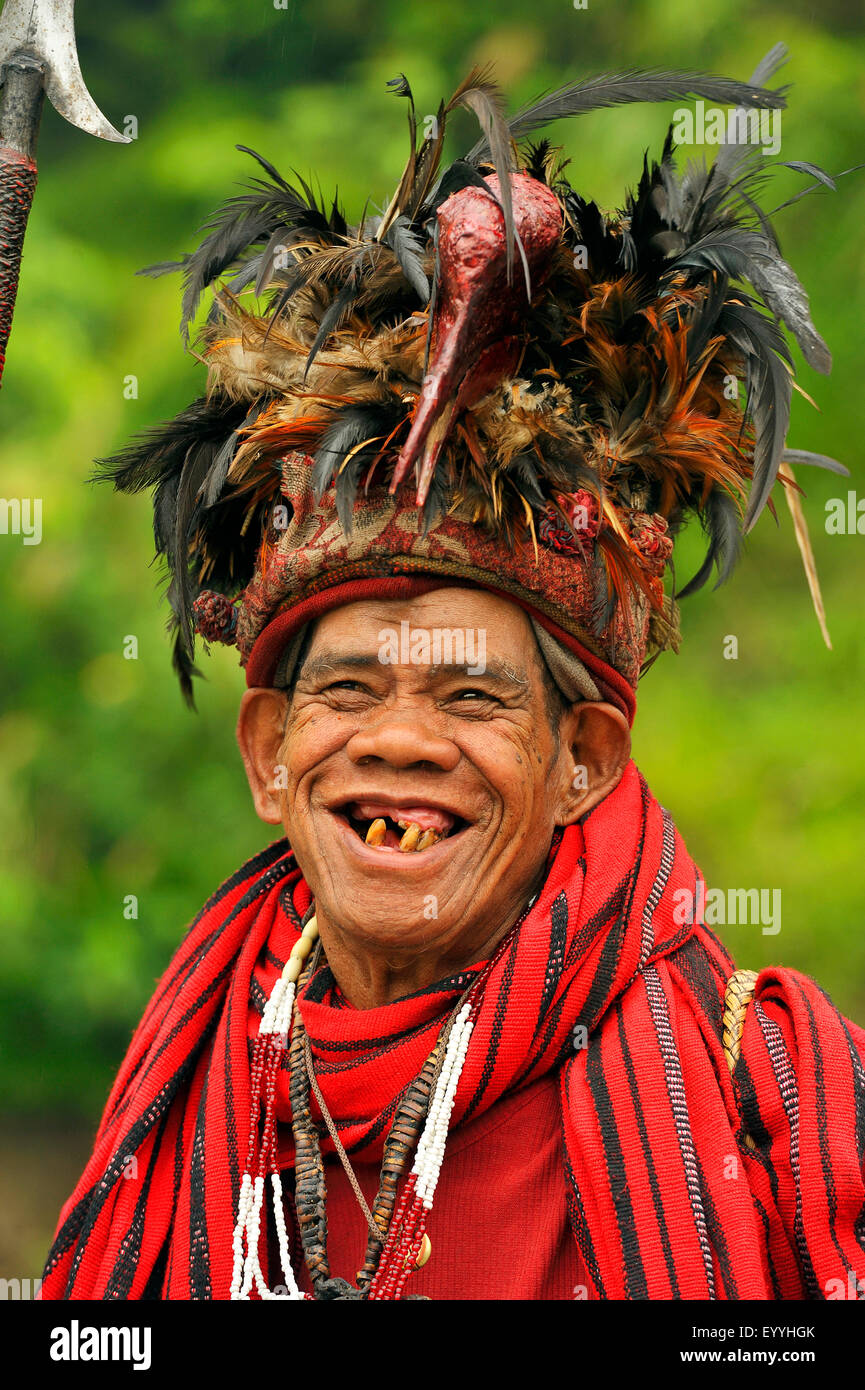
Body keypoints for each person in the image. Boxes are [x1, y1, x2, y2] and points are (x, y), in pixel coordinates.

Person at [42, 50, 865, 1301]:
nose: (401, 740)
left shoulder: (792, 1109)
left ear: (581, 760)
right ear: (268, 751)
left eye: (473, 697)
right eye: (349, 690)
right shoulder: (180, 1089)